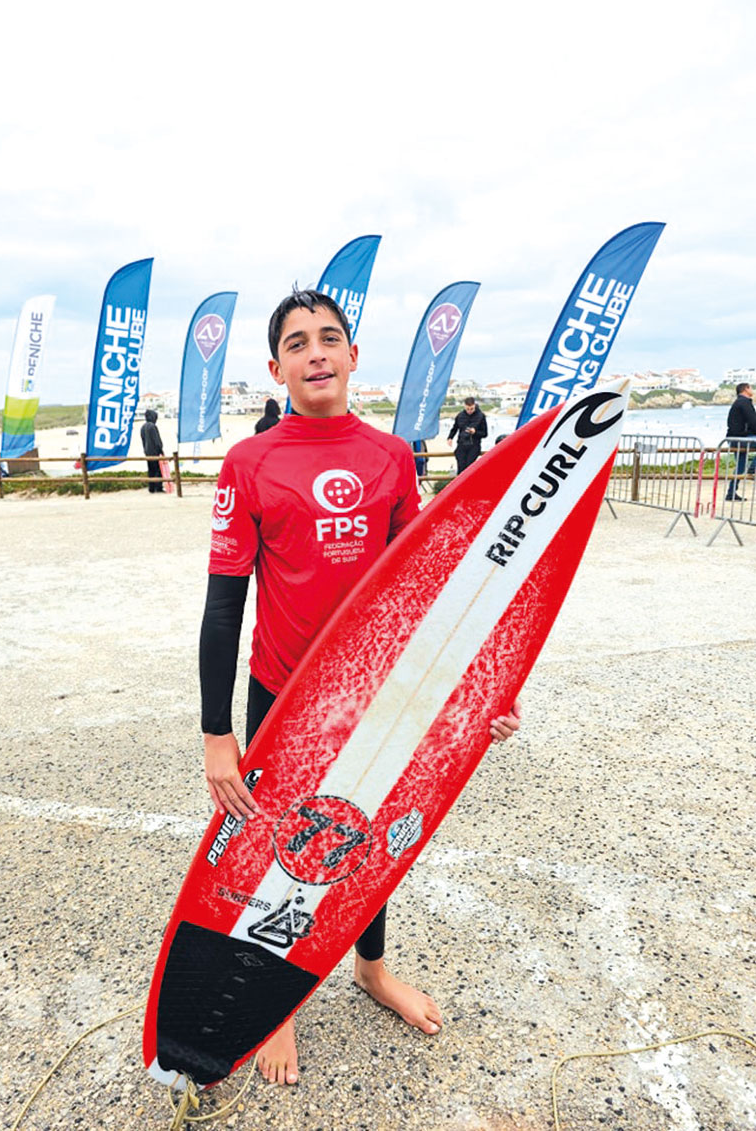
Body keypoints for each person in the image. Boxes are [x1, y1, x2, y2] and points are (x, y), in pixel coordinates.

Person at [199, 289, 521, 1086]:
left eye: (330, 338)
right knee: (279, 848)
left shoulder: (392, 457)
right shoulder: (250, 462)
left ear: (352, 357)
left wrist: (479, 688)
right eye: (298, 342)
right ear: (275, 368)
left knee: (366, 839)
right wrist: (217, 732)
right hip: (282, 693)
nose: (316, 352)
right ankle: (279, 1002)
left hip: (373, 696)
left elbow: (424, 593)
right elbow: (223, 603)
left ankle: (371, 970)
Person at [724, 382, 756, 501]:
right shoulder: (744, 403)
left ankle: (731, 493)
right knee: (741, 466)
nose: (752, 390)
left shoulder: (739, 402)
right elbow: (753, 422)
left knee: (740, 467)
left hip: (734, 438)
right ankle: (753, 467)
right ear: (746, 389)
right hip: (740, 438)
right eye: (751, 387)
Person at [447, 397, 488, 475]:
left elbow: (485, 434)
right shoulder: (460, 415)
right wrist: (450, 438)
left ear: (474, 406)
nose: (469, 411)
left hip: (474, 445)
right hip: (461, 445)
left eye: (471, 409)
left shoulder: (481, 416)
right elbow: (454, 428)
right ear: (464, 406)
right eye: (467, 409)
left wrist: (475, 432)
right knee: (461, 469)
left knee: (469, 469)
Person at [140, 409, 165, 493]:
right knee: (158, 470)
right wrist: (161, 450)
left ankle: (151, 488)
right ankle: (158, 487)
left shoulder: (143, 427)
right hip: (155, 452)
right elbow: (157, 440)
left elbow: (143, 441)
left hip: (147, 452)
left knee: (151, 470)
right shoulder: (152, 426)